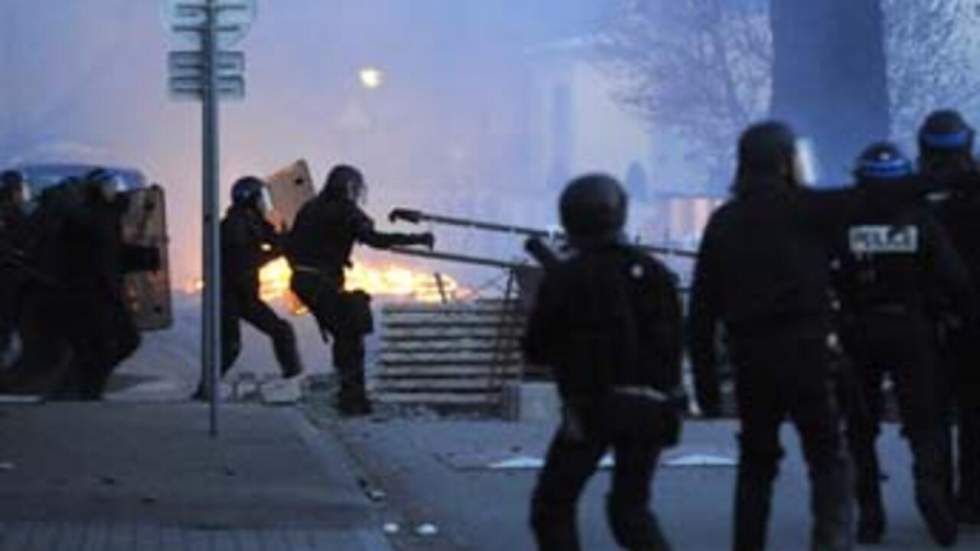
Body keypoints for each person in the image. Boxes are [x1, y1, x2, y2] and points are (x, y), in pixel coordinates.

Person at [687, 121, 947, 551]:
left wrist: (707, 386)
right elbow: (876, 197)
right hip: (808, 351)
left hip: (752, 357)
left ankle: (747, 544)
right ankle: (830, 539)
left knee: (756, 463)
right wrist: (938, 177)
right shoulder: (807, 209)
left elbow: (700, 313)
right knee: (826, 456)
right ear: (785, 161)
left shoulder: (724, 222)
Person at [523, 174, 684, 551]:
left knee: (553, 505)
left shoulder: (567, 278)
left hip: (590, 408)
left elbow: (537, 349)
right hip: (652, 408)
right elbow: (676, 342)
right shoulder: (656, 273)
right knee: (630, 510)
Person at [833, 142, 972, 545]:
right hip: (913, 331)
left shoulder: (846, 222)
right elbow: (955, 279)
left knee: (860, 425)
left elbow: (827, 274)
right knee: (925, 419)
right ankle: (929, 485)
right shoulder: (921, 221)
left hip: (858, 332)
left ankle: (870, 515)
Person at [286, 165, 434, 416]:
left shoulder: (309, 207)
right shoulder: (345, 211)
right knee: (352, 326)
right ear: (349, 188)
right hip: (319, 282)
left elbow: (290, 245)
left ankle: (349, 393)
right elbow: (374, 239)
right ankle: (352, 399)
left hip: (303, 281)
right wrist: (415, 239)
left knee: (345, 329)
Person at [920, 109, 980, 525]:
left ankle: (936, 489)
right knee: (975, 413)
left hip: (929, 318)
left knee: (932, 413)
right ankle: (973, 497)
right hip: (974, 318)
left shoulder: (913, 194)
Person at [193, 176, 303, 399]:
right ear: (250, 199)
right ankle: (205, 390)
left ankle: (294, 379)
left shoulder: (252, 221)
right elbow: (244, 259)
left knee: (281, 331)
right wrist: (275, 251)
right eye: (259, 198)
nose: (263, 203)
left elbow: (273, 240)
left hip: (245, 294)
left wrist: (283, 236)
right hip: (228, 294)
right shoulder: (234, 224)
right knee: (230, 346)